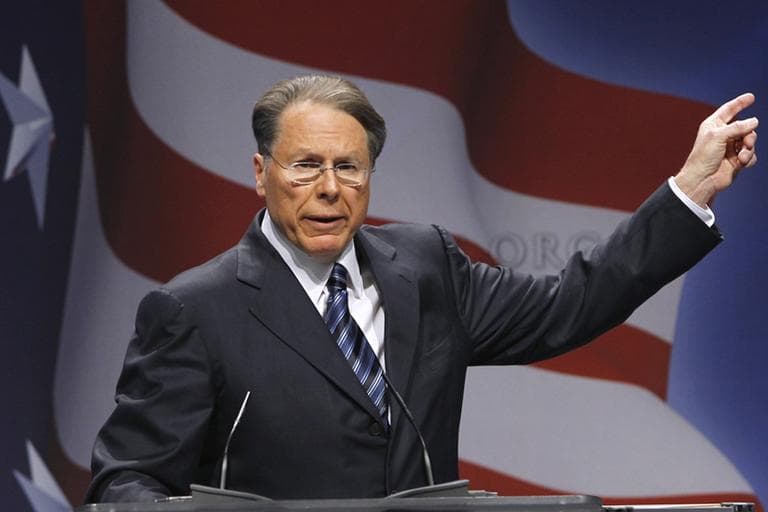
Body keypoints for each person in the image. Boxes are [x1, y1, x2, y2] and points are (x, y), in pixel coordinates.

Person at [85, 75, 758, 503]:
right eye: (306, 165)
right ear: (261, 173)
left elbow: (569, 306)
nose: (328, 188)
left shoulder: (424, 266)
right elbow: (125, 484)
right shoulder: (195, 310)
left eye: (349, 167)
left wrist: (687, 194)